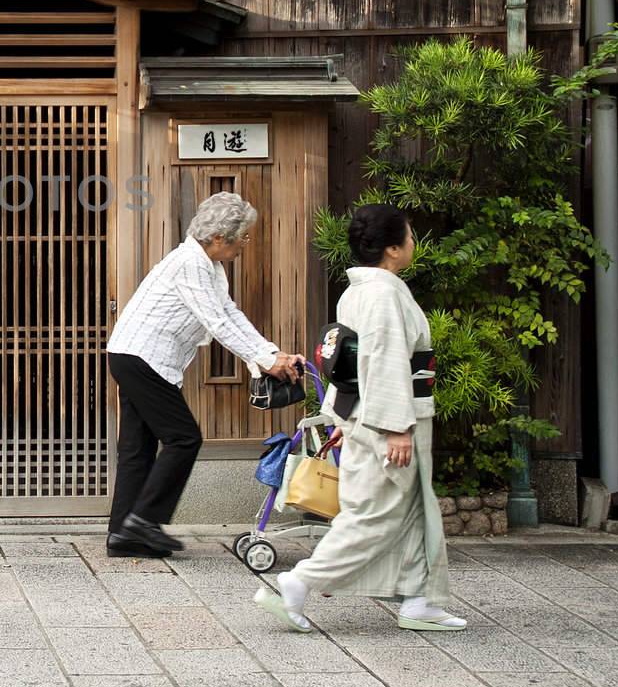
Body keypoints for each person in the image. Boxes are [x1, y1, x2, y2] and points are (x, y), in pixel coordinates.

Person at [254, 203, 466, 633]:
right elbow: (384, 361)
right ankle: (298, 583)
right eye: (408, 235)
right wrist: (396, 428)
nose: (412, 242)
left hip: (363, 410)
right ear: (392, 248)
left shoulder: (358, 291)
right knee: (373, 514)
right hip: (385, 417)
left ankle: (418, 598)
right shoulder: (385, 294)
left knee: (407, 509)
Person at [105, 191, 301, 558]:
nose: (246, 243)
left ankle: (123, 534)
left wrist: (271, 354)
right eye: (242, 237)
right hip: (142, 358)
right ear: (217, 238)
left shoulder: (209, 267)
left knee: (138, 447)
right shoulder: (189, 265)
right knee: (184, 438)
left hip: (133, 355)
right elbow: (216, 323)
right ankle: (144, 522)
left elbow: (230, 315)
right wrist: (264, 360)